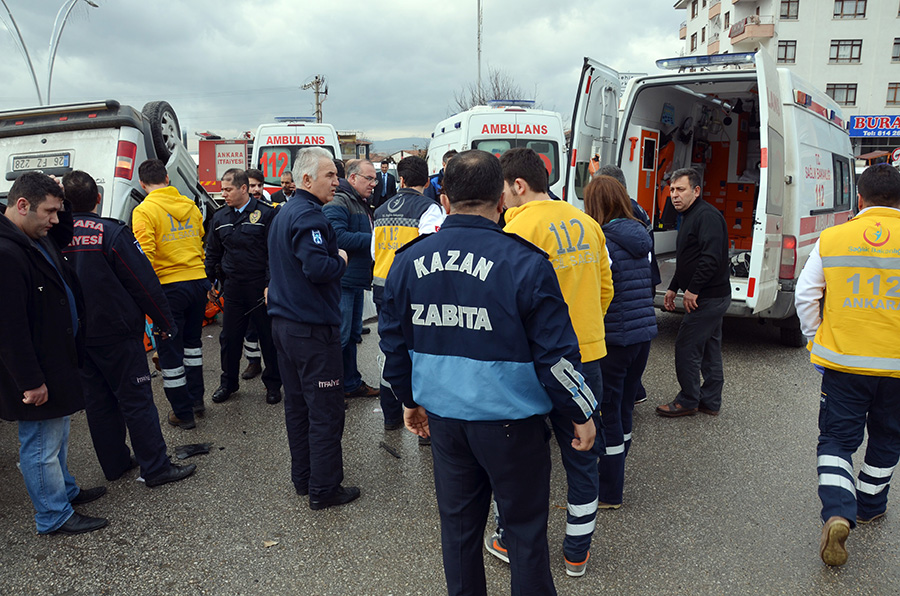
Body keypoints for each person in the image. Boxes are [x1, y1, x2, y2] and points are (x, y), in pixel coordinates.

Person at [379, 149, 597, 596]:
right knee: (525, 536)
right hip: (511, 426)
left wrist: (408, 400)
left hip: (445, 422)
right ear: (501, 198)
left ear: (443, 199)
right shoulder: (525, 261)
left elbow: (392, 343)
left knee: (458, 537)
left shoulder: (408, 260)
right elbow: (556, 355)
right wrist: (580, 410)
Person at [489, 147, 611, 577]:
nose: (502, 200)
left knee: (520, 457)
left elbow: (506, 303)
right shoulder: (588, 224)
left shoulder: (516, 229)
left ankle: (508, 537)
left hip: (533, 363)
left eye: (504, 191)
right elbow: (605, 290)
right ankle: (577, 552)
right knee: (583, 455)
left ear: (518, 186)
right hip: (588, 357)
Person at [60, 170, 197, 487]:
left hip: (79, 337)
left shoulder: (53, 236)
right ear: (98, 198)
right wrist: (164, 322)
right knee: (136, 401)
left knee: (98, 402)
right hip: (118, 333)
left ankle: (115, 463)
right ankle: (156, 467)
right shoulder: (111, 232)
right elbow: (142, 282)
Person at [795, 164, 900, 567]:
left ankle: (838, 511)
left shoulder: (834, 238)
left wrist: (814, 338)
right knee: (888, 436)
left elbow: (807, 295)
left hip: (844, 363)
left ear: (860, 197)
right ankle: (870, 504)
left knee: (838, 441)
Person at [0, 172, 108, 535]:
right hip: (38, 370)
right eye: (49, 211)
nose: (55, 220)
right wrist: (30, 382)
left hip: (56, 360)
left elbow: (63, 232)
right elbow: (9, 328)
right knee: (41, 444)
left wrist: (62, 197)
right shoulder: (6, 252)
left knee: (57, 435)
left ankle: (63, 491)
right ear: (21, 205)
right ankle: (53, 515)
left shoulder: (32, 234)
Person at [267, 147, 360, 510]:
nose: (336, 182)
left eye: (337, 176)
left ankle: (304, 477)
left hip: (286, 326)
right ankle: (324, 489)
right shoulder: (308, 216)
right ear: (307, 179)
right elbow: (318, 269)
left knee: (299, 407)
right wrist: (339, 258)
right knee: (325, 410)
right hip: (309, 330)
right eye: (330, 176)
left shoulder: (285, 212)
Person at [583, 175, 657, 512]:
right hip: (642, 336)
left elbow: (601, 291)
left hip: (614, 338)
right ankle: (619, 465)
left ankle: (610, 490)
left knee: (608, 412)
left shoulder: (604, 242)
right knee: (625, 406)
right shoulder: (641, 236)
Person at [370, 155, 445, 433]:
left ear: (400, 180)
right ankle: (425, 424)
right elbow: (433, 252)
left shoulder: (381, 210)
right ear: (427, 181)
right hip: (415, 291)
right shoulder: (430, 209)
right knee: (421, 354)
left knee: (391, 350)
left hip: (383, 288)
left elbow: (374, 252)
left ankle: (391, 415)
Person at [132, 159, 208, 429]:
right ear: (167, 177)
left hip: (169, 288)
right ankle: (197, 399)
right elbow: (200, 240)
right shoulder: (189, 205)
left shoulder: (144, 210)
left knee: (170, 352)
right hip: (198, 281)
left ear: (142, 183)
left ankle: (182, 412)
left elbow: (145, 256)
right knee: (193, 345)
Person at [656, 168, 730, 417]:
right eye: (672, 190)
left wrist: (693, 290)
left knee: (686, 346)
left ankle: (688, 400)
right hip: (708, 295)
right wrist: (674, 287)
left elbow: (710, 258)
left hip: (709, 297)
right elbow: (688, 257)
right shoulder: (689, 215)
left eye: (681, 190)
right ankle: (709, 401)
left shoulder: (706, 216)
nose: (675, 195)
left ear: (696, 191)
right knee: (709, 348)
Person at [205, 169, 281, 405]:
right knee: (229, 339)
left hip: (260, 289)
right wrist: (209, 282)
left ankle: (273, 384)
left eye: (228, 190)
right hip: (234, 289)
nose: (223, 194)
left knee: (268, 339)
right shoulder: (219, 218)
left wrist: (270, 285)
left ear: (244, 189)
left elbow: (273, 254)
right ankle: (228, 384)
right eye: (222, 189)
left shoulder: (266, 214)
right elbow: (213, 253)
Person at [596, 164, 662, 406]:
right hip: (643, 284)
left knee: (612, 401)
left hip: (618, 323)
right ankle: (635, 391)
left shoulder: (610, 230)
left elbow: (606, 286)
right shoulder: (637, 212)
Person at [323, 159, 380, 399]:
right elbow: (337, 238)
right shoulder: (339, 201)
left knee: (352, 336)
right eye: (369, 178)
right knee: (341, 336)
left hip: (355, 280)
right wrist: (376, 240)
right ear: (353, 178)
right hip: (343, 281)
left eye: (374, 179)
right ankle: (331, 388)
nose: (374, 184)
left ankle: (350, 382)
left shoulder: (359, 201)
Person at [238, 168, 270, 380]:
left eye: (259, 185)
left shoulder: (269, 210)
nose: (256, 189)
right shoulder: (235, 211)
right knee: (250, 326)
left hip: (265, 278)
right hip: (244, 279)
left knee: (268, 327)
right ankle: (253, 362)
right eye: (252, 186)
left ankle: (273, 366)